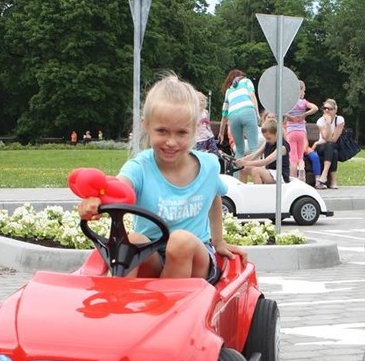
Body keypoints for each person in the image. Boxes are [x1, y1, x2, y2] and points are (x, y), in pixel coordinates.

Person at [76, 74, 245, 281]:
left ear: (194, 130)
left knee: (180, 241)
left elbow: (214, 198)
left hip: (195, 259)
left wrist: (218, 241)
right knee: (134, 240)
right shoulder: (140, 167)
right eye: (162, 131)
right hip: (151, 254)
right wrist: (96, 201)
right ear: (146, 125)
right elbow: (117, 188)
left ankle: (172, 307)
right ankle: (116, 303)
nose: (171, 142)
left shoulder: (208, 165)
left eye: (181, 133)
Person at [217, 69, 260, 166]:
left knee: (239, 150)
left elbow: (224, 114)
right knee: (254, 147)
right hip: (247, 111)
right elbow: (252, 95)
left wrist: (221, 133)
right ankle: (258, 176)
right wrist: (256, 112)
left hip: (233, 116)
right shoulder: (246, 81)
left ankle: (236, 178)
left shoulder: (229, 91)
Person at [237, 118, 291, 184]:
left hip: (280, 175)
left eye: (269, 138)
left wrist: (245, 162)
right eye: (265, 138)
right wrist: (239, 160)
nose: (267, 140)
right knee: (243, 169)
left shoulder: (282, 147)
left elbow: (266, 161)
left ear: (277, 133)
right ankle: (243, 191)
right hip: (269, 172)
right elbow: (255, 155)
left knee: (256, 170)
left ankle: (259, 193)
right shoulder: (268, 142)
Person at [284, 81, 319, 182]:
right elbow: (315, 108)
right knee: (300, 156)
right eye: (303, 90)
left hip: (291, 132)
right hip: (301, 132)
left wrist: (290, 116)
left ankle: (293, 178)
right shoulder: (304, 102)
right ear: (300, 91)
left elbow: (281, 111)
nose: (304, 93)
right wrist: (304, 115)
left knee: (292, 157)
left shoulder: (289, 103)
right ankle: (302, 169)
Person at [314, 98, 344, 189]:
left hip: (333, 145)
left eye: (329, 109)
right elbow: (326, 138)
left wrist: (329, 123)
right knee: (331, 148)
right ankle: (331, 180)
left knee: (333, 150)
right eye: (325, 108)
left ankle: (325, 175)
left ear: (335, 110)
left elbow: (333, 139)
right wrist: (327, 123)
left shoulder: (339, 120)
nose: (326, 110)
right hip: (321, 147)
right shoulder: (320, 121)